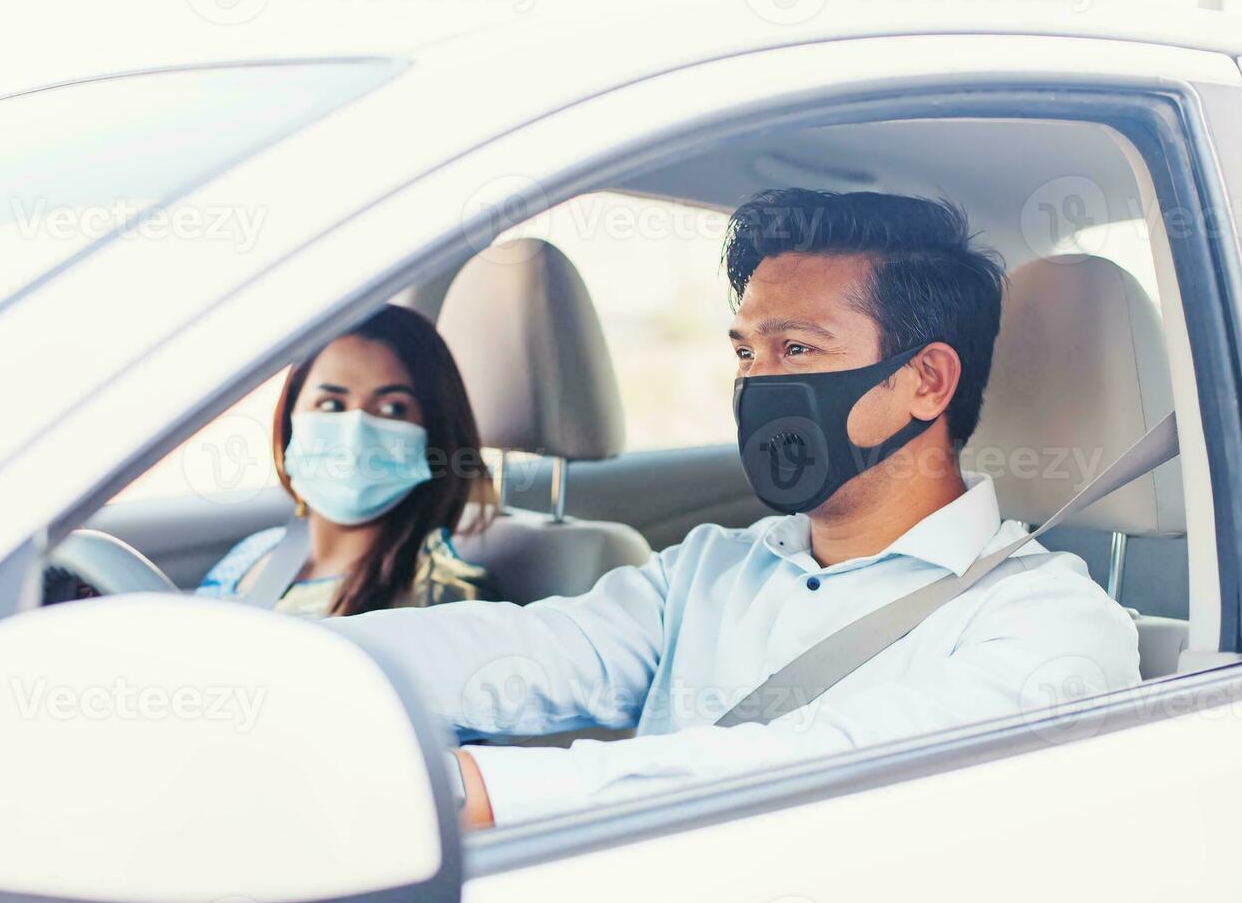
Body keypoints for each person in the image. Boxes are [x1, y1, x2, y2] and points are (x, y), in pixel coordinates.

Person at [329, 190, 1141, 828]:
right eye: (744, 351)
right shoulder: (716, 566)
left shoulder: (1050, 625)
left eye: (796, 349)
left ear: (926, 381)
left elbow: (819, 768)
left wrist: (477, 791)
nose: (756, 384)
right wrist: (295, 665)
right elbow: (527, 649)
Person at [198, 305, 494, 617]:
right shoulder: (256, 552)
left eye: (392, 408)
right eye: (331, 404)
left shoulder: (443, 600)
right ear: (290, 420)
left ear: (434, 434)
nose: (355, 432)